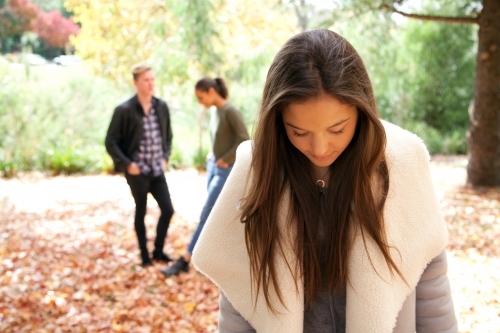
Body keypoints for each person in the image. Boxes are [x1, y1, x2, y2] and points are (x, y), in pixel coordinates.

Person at [191, 29, 458, 332]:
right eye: (299, 132)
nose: (320, 149)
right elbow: (239, 299)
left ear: (362, 110)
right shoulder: (256, 171)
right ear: (277, 121)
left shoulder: (402, 162)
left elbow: (431, 287)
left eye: (337, 129)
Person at [162, 77, 250, 276]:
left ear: (211, 91)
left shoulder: (231, 111)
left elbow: (244, 139)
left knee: (207, 215)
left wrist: (226, 158)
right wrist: (214, 154)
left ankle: (185, 260)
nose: (200, 101)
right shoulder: (215, 112)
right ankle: (213, 258)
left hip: (226, 170)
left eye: (201, 97)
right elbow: (222, 138)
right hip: (215, 166)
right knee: (216, 216)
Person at [105, 64, 174, 267]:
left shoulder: (161, 107)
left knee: (168, 209)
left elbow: (168, 136)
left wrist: (165, 157)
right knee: (141, 211)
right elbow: (111, 141)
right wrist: (127, 165)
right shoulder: (124, 110)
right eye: (146, 80)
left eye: (153, 79)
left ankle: (158, 251)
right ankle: (145, 256)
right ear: (136, 83)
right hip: (137, 171)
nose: (151, 83)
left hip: (156, 169)